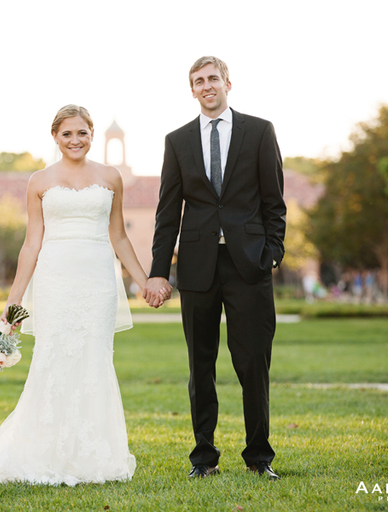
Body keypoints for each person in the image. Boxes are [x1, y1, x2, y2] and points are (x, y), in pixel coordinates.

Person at [0, 105, 153, 486]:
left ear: (92, 135)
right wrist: (13, 305)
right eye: (67, 134)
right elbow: (31, 244)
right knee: (53, 358)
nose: (75, 140)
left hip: (98, 279)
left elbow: (119, 235)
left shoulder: (110, 177)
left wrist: (145, 281)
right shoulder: (39, 180)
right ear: (55, 137)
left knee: (94, 359)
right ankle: (45, 450)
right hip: (55, 279)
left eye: (82, 133)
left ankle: (92, 452)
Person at [143, 56, 286, 480]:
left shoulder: (260, 131)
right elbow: (167, 213)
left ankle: (260, 458)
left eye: (213, 79)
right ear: (192, 90)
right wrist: (157, 271)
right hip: (198, 267)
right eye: (198, 81)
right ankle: (204, 458)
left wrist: (272, 254)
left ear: (228, 83)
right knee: (199, 365)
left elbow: (274, 202)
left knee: (253, 363)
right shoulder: (177, 141)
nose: (207, 86)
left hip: (249, 266)